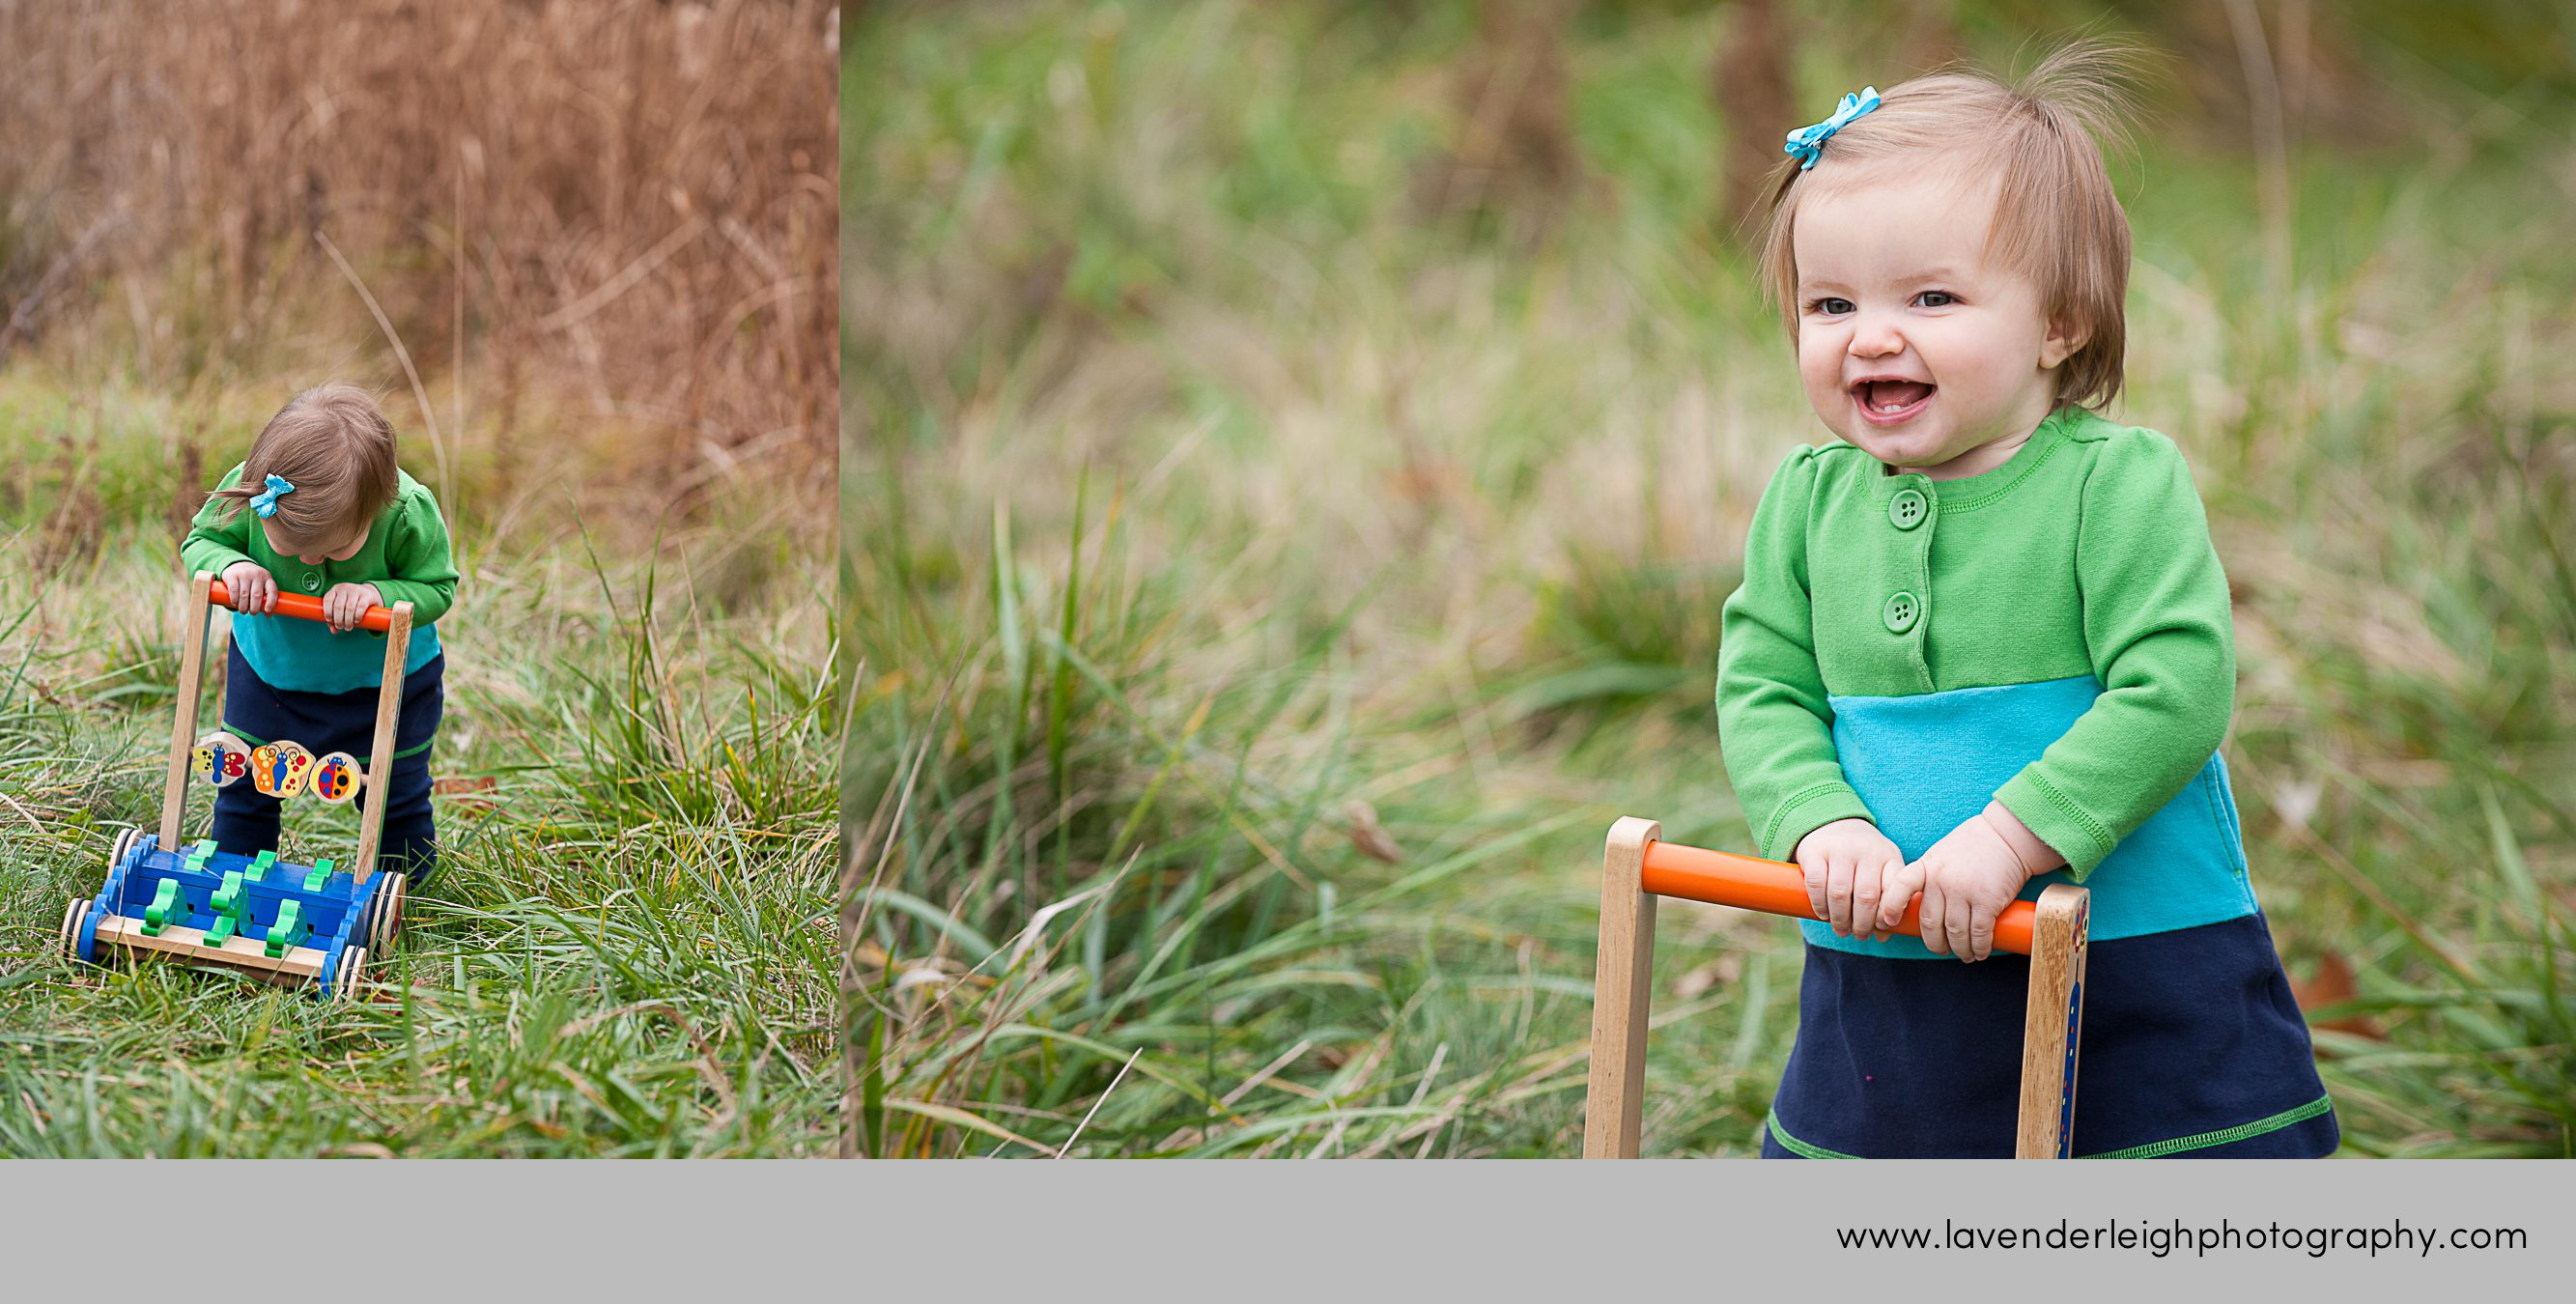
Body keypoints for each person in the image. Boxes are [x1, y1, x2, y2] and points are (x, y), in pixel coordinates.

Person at [1714, 43, 2336, 1158]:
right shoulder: (1807, 504)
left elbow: (2177, 691)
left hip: (2126, 965)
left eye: (1933, 296)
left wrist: (2012, 837)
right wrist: (1819, 818)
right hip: (1889, 970)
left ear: (2060, 323)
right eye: (1830, 302)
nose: (1872, 334)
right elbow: (1764, 685)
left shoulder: (2113, 482)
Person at [182, 383, 458, 888]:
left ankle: (406, 894)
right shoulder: (247, 490)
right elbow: (200, 542)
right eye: (289, 549)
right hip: (271, 676)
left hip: (384, 688)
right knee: (245, 783)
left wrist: (379, 592)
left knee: (395, 796)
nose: (310, 563)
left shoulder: (405, 511)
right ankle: (235, 883)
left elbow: (438, 587)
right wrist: (232, 564)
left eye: (332, 552)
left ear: (374, 509)